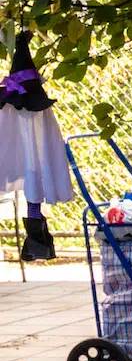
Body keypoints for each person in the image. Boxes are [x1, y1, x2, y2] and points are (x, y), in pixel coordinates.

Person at [0, 27, 74, 261]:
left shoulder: (34, 119)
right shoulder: (20, 116)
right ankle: (36, 239)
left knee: (33, 186)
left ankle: (36, 238)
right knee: (32, 185)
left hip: (25, 162)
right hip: (20, 159)